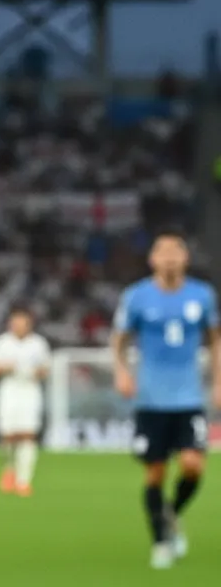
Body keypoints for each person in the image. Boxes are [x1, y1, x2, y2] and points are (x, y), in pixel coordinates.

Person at [112, 231, 221, 570]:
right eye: (164, 251)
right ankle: (160, 540)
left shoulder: (202, 295)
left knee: (192, 466)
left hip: (189, 396)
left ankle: (171, 514)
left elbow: (215, 339)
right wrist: (121, 372)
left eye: (177, 250)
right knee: (155, 474)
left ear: (186, 258)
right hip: (150, 399)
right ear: (153, 259)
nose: (171, 256)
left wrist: (218, 380)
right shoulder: (137, 296)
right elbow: (119, 340)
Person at [0, 306, 50, 497]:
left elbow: (45, 369)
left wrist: (35, 372)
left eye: (23, 323)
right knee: (8, 436)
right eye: (16, 323)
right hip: (9, 389)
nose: (19, 327)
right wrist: (5, 368)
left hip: (30, 390)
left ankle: (24, 480)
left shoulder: (38, 344)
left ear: (29, 324)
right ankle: (9, 469)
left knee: (28, 434)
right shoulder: (2, 343)